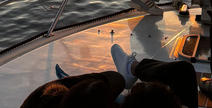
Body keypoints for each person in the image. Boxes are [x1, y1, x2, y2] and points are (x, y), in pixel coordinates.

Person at [19, 45, 197, 108]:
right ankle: (133, 68)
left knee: (116, 81)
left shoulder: (43, 101)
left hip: (51, 100)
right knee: (183, 71)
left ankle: (132, 70)